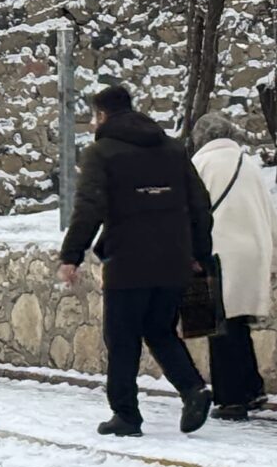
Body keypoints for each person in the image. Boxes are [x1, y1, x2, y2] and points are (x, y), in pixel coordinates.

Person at [57, 85, 215, 438]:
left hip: (127, 261)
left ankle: (126, 415)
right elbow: (200, 206)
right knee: (160, 330)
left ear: (101, 115)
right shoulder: (173, 149)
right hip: (174, 259)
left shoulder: (102, 153)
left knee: (122, 338)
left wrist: (71, 255)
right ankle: (193, 389)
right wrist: (198, 255)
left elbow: (89, 207)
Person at [190, 110, 277, 419]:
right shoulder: (250, 165)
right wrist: (273, 256)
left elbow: (191, 214)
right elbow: (271, 215)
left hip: (219, 253)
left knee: (220, 326)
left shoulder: (199, 165)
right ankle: (253, 388)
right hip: (253, 251)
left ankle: (231, 399)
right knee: (237, 322)